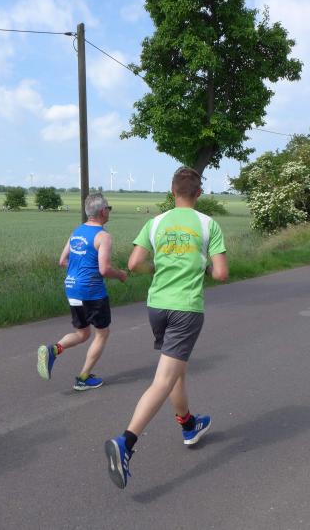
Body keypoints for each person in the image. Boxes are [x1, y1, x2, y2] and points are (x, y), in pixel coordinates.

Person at [104, 167, 228, 489]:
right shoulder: (208, 224)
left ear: (172, 191)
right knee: (163, 380)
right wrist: (203, 266)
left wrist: (157, 266)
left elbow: (134, 264)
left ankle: (188, 424)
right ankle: (126, 442)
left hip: (156, 306)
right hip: (186, 308)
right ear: (198, 193)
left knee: (176, 371)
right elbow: (221, 274)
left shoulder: (156, 222)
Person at [37, 193, 128, 390]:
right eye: (108, 208)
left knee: (83, 333)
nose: (109, 211)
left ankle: (54, 350)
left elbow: (63, 261)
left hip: (72, 288)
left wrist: (79, 269)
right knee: (102, 333)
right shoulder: (103, 236)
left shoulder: (76, 232)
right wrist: (121, 274)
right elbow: (104, 269)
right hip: (92, 292)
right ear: (102, 212)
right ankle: (83, 378)